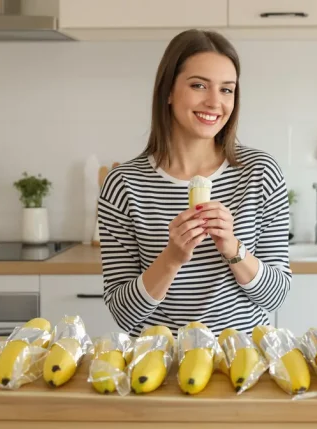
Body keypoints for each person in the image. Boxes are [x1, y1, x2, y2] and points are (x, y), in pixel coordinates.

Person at [98, 29, 291, 338]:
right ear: (169, 92)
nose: (215, 102)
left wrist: (232, 247)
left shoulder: (259, 172)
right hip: (158, 365)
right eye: (199, 85)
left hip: (241, 363)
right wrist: (171, 258)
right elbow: (123, 314)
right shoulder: (124, 184)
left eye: (227, 90)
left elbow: (276, 296)